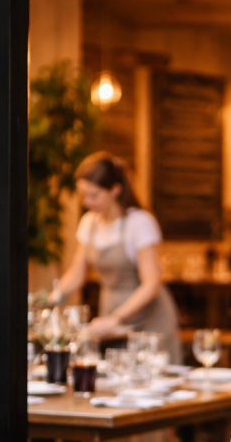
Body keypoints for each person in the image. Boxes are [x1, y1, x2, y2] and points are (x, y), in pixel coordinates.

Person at [49, 152, 180, 362]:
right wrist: (54, 298)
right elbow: (77, 271)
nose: (87, 202)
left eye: (94, 195)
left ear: (115, 190)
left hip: (148, 322)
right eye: (83, 195)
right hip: (111, 317)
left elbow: (152, 284)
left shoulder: (139, 223)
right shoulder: (89, 223)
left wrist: (116, 317)